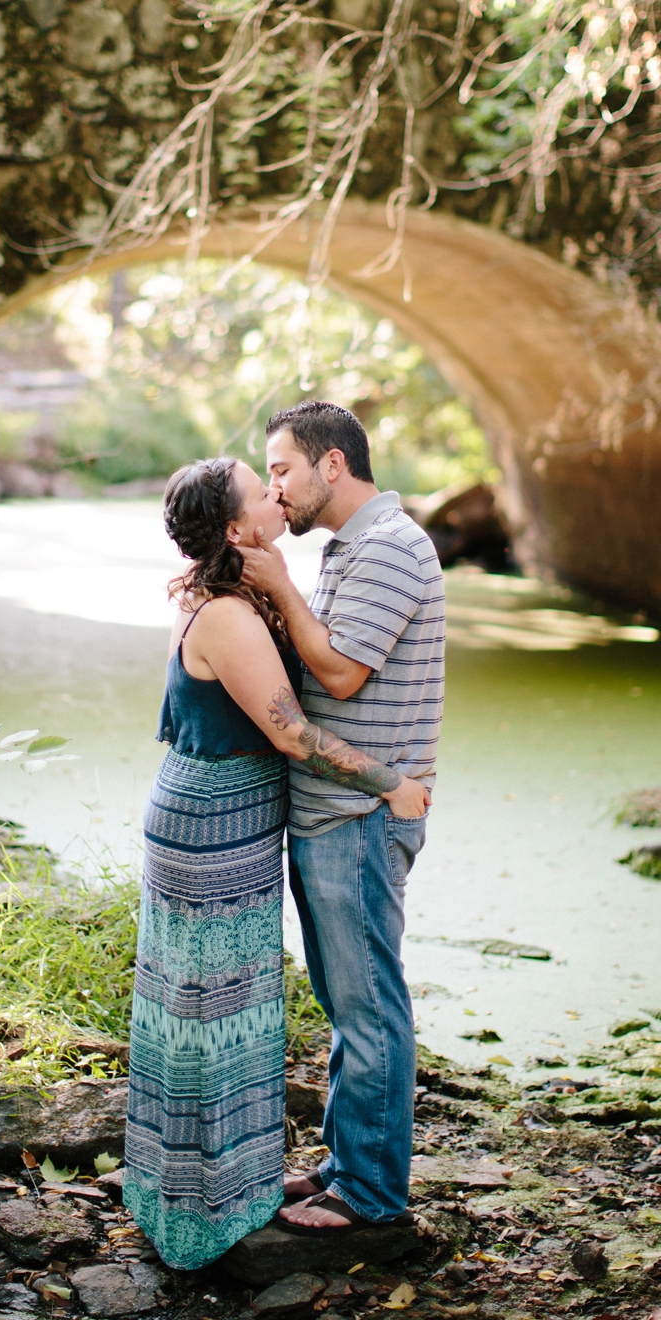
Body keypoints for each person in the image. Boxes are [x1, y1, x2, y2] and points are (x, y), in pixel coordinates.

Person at [123, 455, 432, 1271]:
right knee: (206, 1012)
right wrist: (390, 780)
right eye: (262, 492)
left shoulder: (241, 593)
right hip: (210, 825)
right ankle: (200, 1203)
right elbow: (290, 730)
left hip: (234, 819)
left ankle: (228, 1182)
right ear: (234, 529)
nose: (277, 494)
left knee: (227, 1009)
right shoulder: (224, 614)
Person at [239, 401, 445, 1233]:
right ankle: (343, 1165)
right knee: (345, 1004)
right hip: (335, 812)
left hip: (360, 818)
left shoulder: (393, 547)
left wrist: (280, 586)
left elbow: (344, 673)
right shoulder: (348, 549)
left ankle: (370, 1196)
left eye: (281, 469)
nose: (276, 489)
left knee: (369, 1008)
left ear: (332, 466)